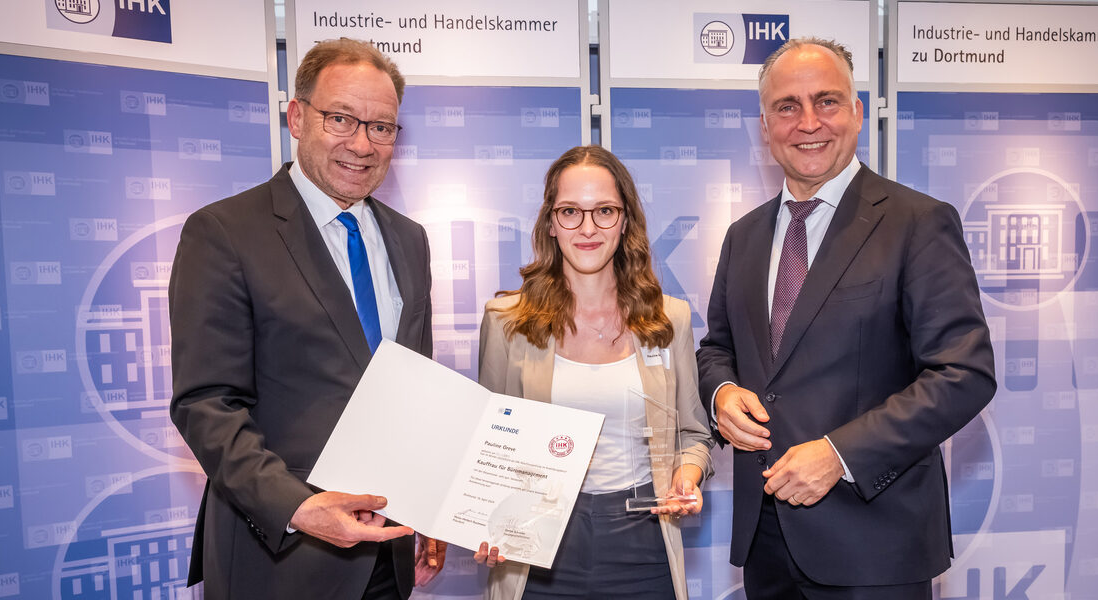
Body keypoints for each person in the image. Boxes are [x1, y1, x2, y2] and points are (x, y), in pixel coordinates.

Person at [696, 37, 996, 599]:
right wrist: (721, 394)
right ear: (766, 127)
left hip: (876, 545)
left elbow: (964, 374)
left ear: (858, 114)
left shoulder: (918, 222)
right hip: (766, 542)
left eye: (827, 101)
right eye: (788, 106)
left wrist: (840, 454)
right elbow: (717, 348)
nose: (808, 122)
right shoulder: (744, 237)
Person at [169, 38, 444, 600]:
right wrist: (297, 507)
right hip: (280, 558)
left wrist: (431, 505)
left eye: (382, 127)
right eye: (341, 119)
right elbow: (205, 404)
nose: (362, 144)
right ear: (297, 117)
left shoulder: (409, 240)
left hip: (388, 557)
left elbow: (413, 393)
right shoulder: (224, 233)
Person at [473, 145, 714, 599]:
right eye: (570, 211)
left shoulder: (670, 319)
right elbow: (488, 445)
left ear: (625, 221)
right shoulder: (506, 320)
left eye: (604, 211)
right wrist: (482, 519)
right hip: (536, 546)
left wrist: (687, 476)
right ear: (550, 222)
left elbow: (693, 435)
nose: (587, 228)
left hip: (645, 541)